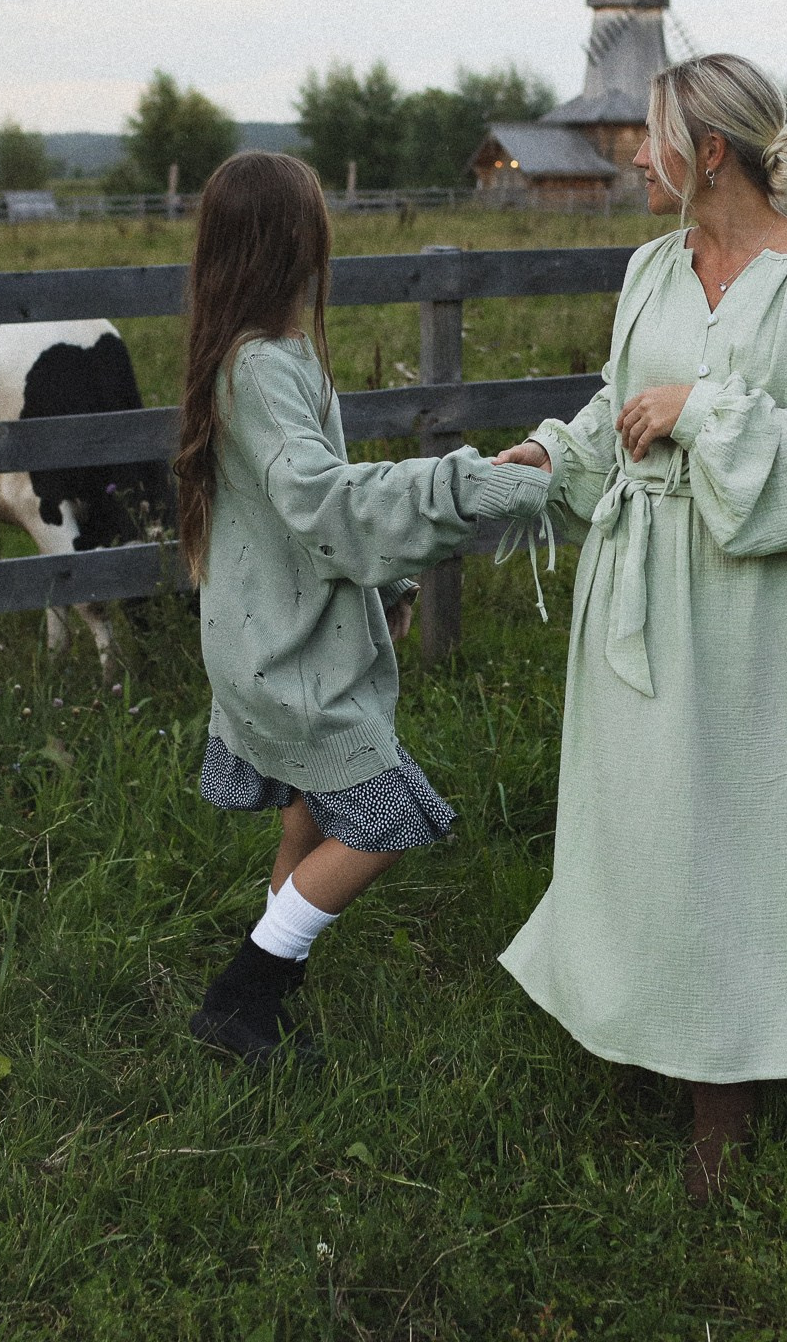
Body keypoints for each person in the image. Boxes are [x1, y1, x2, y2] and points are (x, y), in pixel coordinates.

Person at [491, 54, 787, 1198]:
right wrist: (550, 453)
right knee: (642, 822)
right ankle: (642, 1022)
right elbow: (619, 403)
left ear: (707, 152)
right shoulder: (649, 268)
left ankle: (728, 1086)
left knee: (733, 826)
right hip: (638, 575)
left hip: (745, 597)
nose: (634, 153)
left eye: (651, 133)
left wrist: (703, 411)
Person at [178, 151, 556, 1063]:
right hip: (285, 655)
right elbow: (326, 504)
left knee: (312, 816)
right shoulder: (262, 368)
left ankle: (271, 996)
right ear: (293, 243)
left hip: (279, 635)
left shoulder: (275, 354)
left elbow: (307, 515)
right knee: (385, 823)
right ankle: (243, 995)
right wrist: (464, 487)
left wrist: (388, 586)